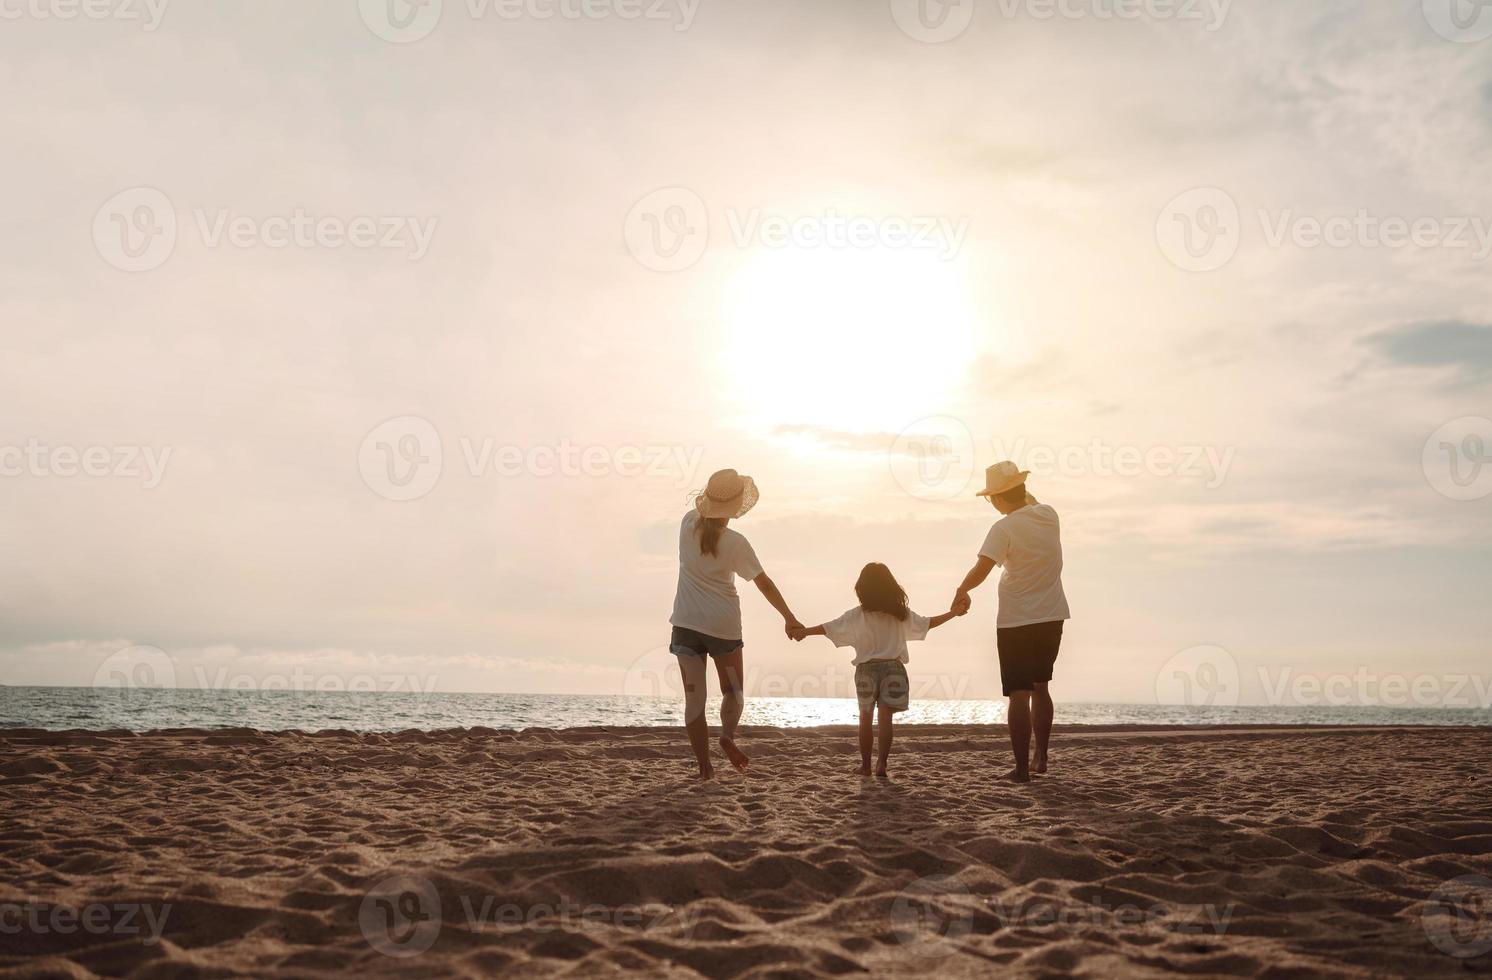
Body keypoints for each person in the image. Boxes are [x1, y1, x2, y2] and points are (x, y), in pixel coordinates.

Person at [669, 468, 802, 780]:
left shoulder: (687, 523)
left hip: (686, 626)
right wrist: (789, 618)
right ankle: (727, 735)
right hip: (723, 629)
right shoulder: (737, 543)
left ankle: (704, 768)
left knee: (695, 701)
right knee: (733, 689)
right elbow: (764, 583)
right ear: (734, 508)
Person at [951, 462, 1070, 784]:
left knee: (1019, 693)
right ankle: (1041, 757)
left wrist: (962, 590)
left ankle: (1020, 769)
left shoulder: (1002, 529)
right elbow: (1029, 500)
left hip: (1018, 620)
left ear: (997, 499)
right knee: (1042, 687)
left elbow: (982, 568)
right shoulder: (1049, 515)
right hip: (1052, 615)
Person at [791, 562, 964, 777]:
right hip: (894, 669)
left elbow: (828, 627)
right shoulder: (899, 613)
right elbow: (929, 623)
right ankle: (881, 764)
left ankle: (865, 766)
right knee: (885, 720)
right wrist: (954, 612)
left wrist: (804, 632)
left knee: (865, 718)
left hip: (866, 670)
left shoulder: (856, 615)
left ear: (862, 588)